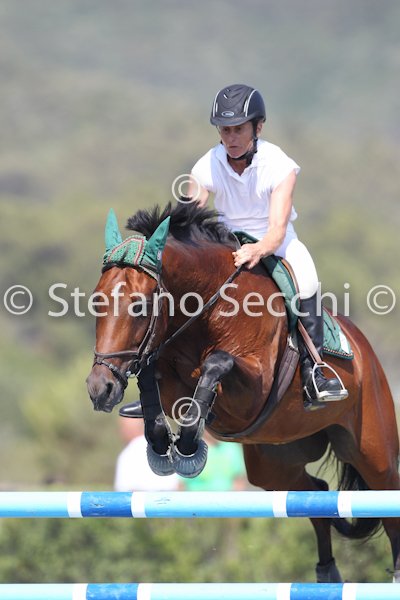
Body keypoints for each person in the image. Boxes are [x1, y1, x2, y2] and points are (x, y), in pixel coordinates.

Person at [120, 83, 347, 418]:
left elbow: (277, 229)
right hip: (226, 242)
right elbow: (188, 220)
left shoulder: (280, 165)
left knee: (307, 278)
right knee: (174, 290)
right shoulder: (206, 165)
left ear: (258, 127)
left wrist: (259, 249)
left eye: (239, 129)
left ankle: (315, 369)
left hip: (276, 241)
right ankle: (156, 386)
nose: (231, 137)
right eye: (225, 130)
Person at [114, 417, 180, 491]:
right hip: (170, 496)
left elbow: (124, 491)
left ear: (128, 430)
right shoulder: (168, 446)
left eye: (122, 428)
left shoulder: (128, 454)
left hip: (141, 497)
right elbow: (179, 485)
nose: (121, 432)